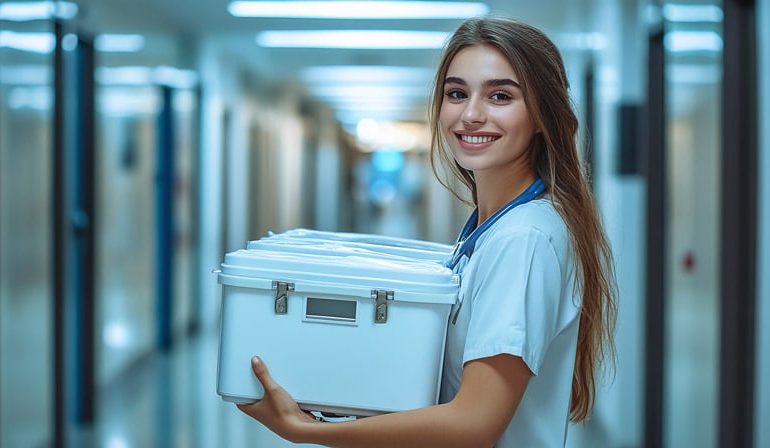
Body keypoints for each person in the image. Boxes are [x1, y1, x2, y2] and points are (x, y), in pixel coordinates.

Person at [237, 15, 618, 447]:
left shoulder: (524, 238)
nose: (471, 114)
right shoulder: (491, 228)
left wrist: (308, 431)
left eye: (500, 96)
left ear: (541, 116)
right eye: (457, 93)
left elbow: (475, 423)